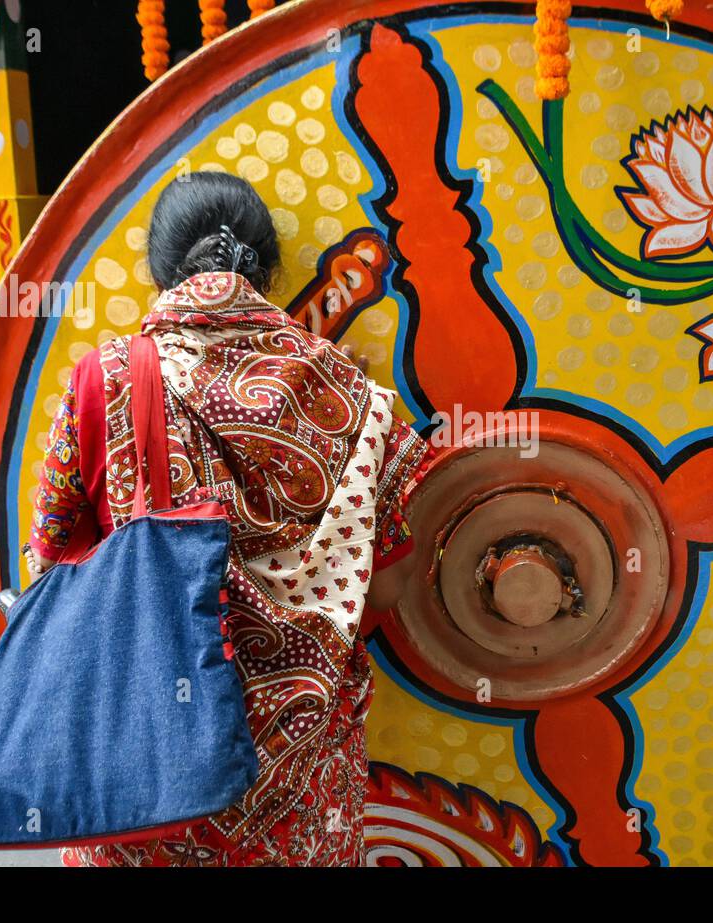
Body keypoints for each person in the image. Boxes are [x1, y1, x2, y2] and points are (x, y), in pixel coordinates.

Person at [23, 171, 432, 866]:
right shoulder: (354, 395)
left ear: (159, 271)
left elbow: (48, 564)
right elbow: (387, 591)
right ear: (269, 271)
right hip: (302, 796)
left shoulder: (104, 381)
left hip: (144, 778)